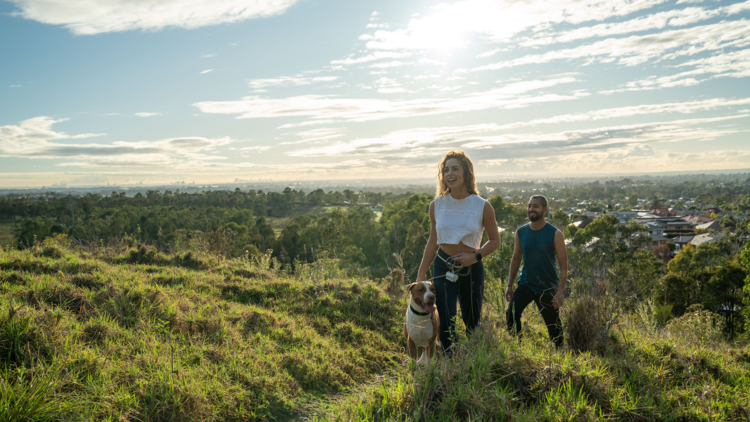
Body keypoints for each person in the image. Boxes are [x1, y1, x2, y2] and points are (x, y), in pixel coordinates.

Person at [416, 150, 500, 355]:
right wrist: (421, 274)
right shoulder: (437, 205)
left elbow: (495, 240)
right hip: (444, 266)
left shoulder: (482, 205)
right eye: (446, 170)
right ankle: (450, 363)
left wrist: (474, 257)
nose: (449, 174)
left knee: (472, 320)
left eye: (455, 169)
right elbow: (433, 241)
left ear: (466, 174)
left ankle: (473, 362)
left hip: (472, 268)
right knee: (445, 318)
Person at [505, 195, 568, 348]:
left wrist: (560, 292)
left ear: (544, 209)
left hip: (547, 287)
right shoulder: (521, 232)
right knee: (511, 314)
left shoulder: (555, 234)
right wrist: (509, 285)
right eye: (529, 206)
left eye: (535, 206)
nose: (531, 209)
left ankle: (560, 353)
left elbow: (563, 266)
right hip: (526, 283)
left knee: (553, 327)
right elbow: (515, 259)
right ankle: (516, 346)